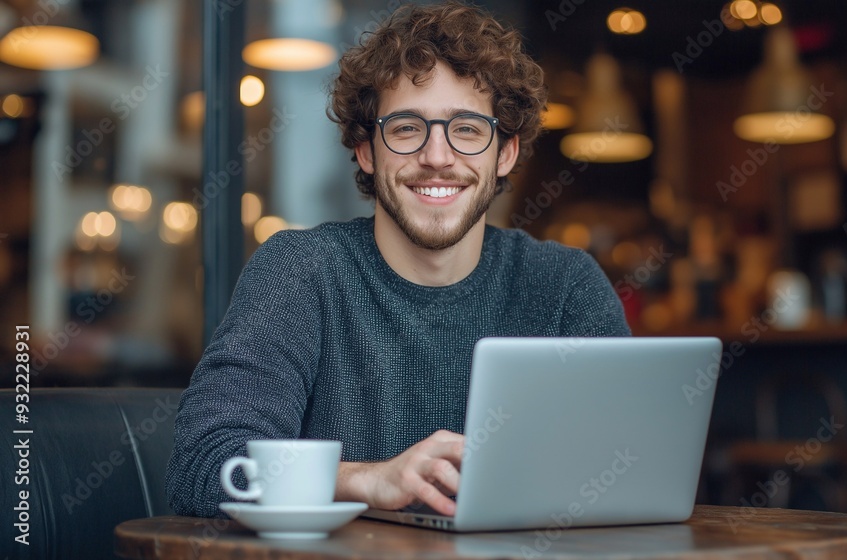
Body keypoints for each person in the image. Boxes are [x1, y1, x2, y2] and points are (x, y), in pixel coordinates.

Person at [165, 1, 630, 519]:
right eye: (407, 128)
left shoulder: (565, 286)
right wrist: (367, 479)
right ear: (367, 150)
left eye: (468, 129)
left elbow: (628, 471)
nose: (437, 156)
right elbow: (202, 468)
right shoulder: (300, 272)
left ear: (505, 153)